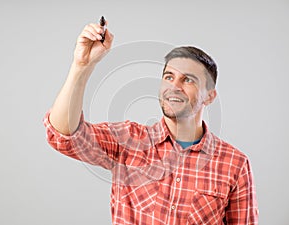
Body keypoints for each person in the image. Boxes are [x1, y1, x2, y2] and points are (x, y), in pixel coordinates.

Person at [43, 21, 258, 224]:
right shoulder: (128, 140)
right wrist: (82, 65)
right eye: (168, 77)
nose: (174, 86)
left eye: (188, 80)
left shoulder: (235, 164)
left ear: (210, 96)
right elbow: (64, 136)